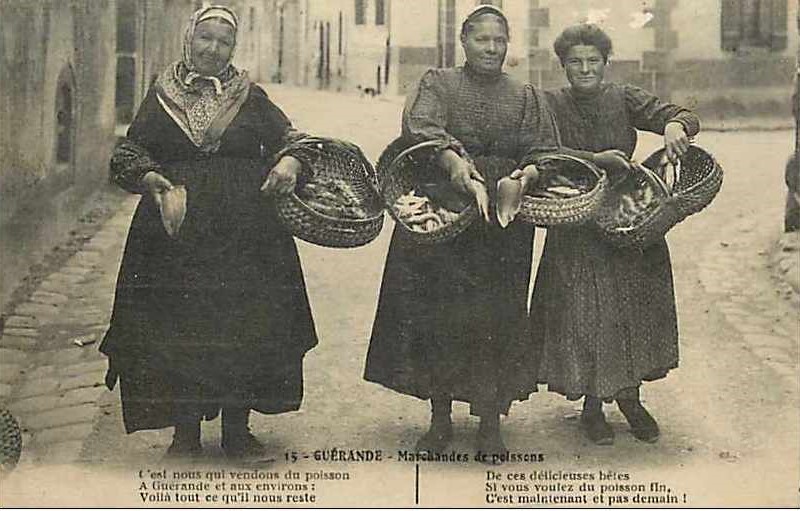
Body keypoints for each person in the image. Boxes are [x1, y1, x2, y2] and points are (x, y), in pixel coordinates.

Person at [100, 5, 318, 460]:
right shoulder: (161, 94)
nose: (213, 49)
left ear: (232, 49)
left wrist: (290, 162)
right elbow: (128, 153)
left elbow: (294, 140)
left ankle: (238, 432)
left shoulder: (249, 95)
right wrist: (149, 177)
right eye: (206, 39)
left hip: (247, 235)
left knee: (243, 324)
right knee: (177, 326)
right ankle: (184, 436)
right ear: (189, 38)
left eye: (223, 42)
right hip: (173, 235)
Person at [364, 5, 559, 457]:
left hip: (501, 221)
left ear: (507, 45)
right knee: (440, 316)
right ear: (464, 42)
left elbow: (544, 147)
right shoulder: (439, 84)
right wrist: (454, 163)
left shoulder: (526, 94)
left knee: (497, 316)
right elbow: (421, 129)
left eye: (499, 41)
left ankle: (490, 421)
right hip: (446, 211)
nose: (491, 48)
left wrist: (527, 174)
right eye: (481, 40)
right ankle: (439, 418)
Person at [522, 23, 699, 445]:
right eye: (575, 62)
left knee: (630, 313)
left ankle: (631, 399)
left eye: (593, 61)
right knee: (583, 314)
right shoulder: (550, 104)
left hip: (629, 219)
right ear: (563, 66)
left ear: (605, 63)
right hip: (577, 219)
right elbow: (540, 152)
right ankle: (592, 407)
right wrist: (592, 158)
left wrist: (676, 125)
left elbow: (676, 113)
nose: (585, 69)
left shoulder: (622, 96)